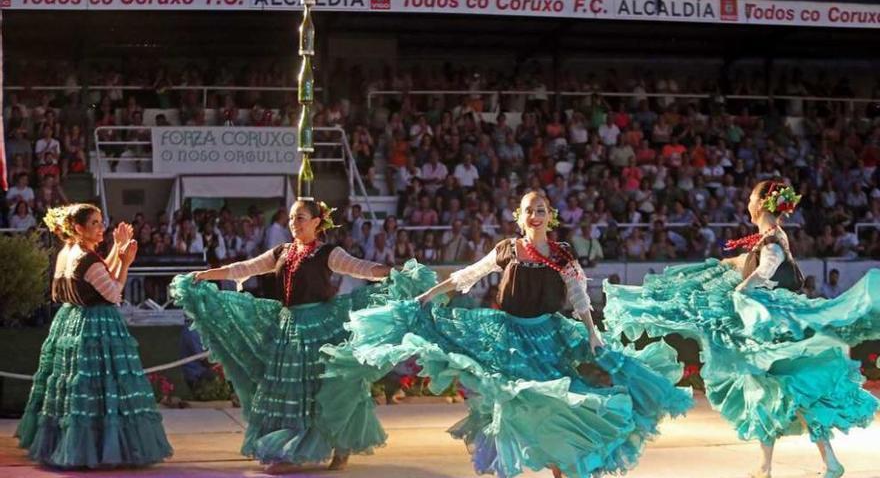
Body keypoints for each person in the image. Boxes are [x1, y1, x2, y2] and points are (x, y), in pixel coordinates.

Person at [316, 191, 692, 478]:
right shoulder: (507, 249)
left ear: (550, 216)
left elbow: (579, 298)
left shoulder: (562, 255)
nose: (535, 214)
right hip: (507, 336)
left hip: (546, 339)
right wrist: (428, 295)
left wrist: (593, 334)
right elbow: (466, 276)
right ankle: (511, 466)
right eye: (529, 209)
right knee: (507, 403)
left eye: (541, 208)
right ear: (520, 216)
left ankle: (563, 466)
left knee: (554, 401)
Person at [603, 180, 880, 478]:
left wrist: (743, 289)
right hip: (767, 326)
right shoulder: (766, 239)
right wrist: (723, 265)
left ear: (761, 203)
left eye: (750, 198)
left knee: (786, 391)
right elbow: (749, 260)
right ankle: (774, 465)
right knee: (768, 392)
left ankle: (821, 462)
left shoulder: (772, 239)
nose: (747, 202)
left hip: (772, 328)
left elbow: (766, 267)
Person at [169, 200, 432, 473]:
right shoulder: (282, 251)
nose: (294, 223)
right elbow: (243, 268)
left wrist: (396, 273)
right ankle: (290, 451)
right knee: (289, 392)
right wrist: (205, 275)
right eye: (292, 218)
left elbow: (362, 267)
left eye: (301, 218)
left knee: (327, 389)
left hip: (320, 328)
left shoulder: (329, 253)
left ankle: (340, 446)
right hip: (288, 328)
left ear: (317, 222)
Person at [16, 204, 172, 468]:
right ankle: (99, 449)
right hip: (95, 325)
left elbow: (100, 275)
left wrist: (115, 248)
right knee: (102, 388)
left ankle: (74, 446)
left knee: (78, 390)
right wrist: (126, 262)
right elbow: (112, 291)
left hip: (71, 321)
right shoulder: (84, 258)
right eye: (95, 223)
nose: (101, 227)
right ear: (78, 227)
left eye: (101, 222)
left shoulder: (70, 252)